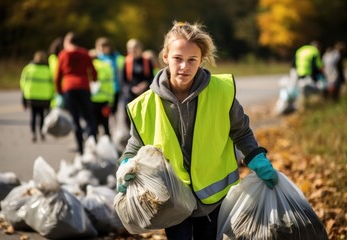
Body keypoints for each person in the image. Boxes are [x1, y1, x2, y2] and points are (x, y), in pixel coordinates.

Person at [116, 21, 278, 239]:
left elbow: (241, 131)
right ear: (165, 57)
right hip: (172, 199)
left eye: (192, 60)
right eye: (178, 59)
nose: (185, 66)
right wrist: (126, 163)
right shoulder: (143, 105)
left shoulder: (221, 92)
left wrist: (256, 158)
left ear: (201, 60)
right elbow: (136, 142)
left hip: (215, 199)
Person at [55, 32, 97, 155]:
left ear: (67, 42)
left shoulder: (63, 54)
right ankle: (91, 141)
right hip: (84, 87)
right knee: (89, 117)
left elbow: (58, 75)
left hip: (69, 88)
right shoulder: (84, 53)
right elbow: (93, 72)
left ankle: (80, 149)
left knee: (75, 119)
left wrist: (59, 91)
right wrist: (93, 81)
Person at [20, 50, 54, 142]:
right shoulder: (48, 70)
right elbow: (52, 85)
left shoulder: (28, 68)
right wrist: (52, 97)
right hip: (44, 97)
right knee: (42, 116)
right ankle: (42, 132)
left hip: (31, 96)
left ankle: (33, 133)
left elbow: (23, 83)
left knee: (33, 116)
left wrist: (24, 97)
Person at [122, 38, 155, 126]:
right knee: (128, 114)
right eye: (130, 48)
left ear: (141, 48)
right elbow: (124, 81)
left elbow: (151, 78)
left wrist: (144, 84)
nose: (133, 50)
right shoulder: (126, 62)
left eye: (135, 47)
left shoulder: (147, 61)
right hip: (131, 93)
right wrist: (132, 88)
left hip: (145, 92)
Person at [95, 37, 125, 114]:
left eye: (104, 46)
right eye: (100, 47)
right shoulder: (96, 58)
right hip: (101, 91)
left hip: (116, 88)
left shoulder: (117, 58)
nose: (102, 49)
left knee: (113, 111)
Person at [89, 49, 115, 137]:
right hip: (105, 100)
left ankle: (93, 145)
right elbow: (111, 85)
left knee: (93, 125)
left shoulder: (89, 67)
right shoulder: (107, 66)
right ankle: (108, 146)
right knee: (106, 125)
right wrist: (111, 100)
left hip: (92, 100)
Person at [292, 41, 327, 105]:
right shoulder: (315, 51)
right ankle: (308, 103)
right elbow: (317, 66)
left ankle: (300, 103)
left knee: (300, 88)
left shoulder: (301, 49)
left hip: (298, 71)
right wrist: (320, 76)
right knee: (311, 89)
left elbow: (294, 62)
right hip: (307, 72)